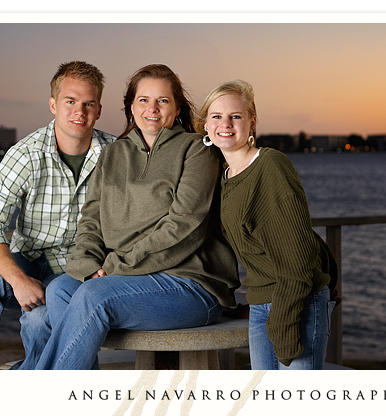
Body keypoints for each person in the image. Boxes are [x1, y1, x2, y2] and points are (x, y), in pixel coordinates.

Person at [34, 64, 240, 370]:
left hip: (189, 284)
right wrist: (89, 265)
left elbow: (184, 226)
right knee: (60, 288)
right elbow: (91, 220)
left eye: (163, 101)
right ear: (131, 107)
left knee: (93, 296)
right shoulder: (112, 154)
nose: (152, 109)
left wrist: (115, 267)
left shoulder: (197, 149)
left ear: (177, 107)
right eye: (143, 100)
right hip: (120, 279)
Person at [0, 61, 116, 370]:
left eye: (88, 104)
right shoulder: (25, 154)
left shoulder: (115, 154)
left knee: (40, 320)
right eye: (70, 101)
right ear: (53, 104)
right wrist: (18, 280)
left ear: (98, 109)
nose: (79, 111)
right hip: (28, 258)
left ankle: (31, 382)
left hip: (76, 268)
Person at [195, 80, 338, 370]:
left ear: (252, 123)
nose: (226, 123)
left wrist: (285, 321)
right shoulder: (224, 176)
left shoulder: (270, 165)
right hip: (260, 304)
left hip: (298, 303)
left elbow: (299, 255)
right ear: (206, 126)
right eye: (216, 116)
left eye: (235, 116)